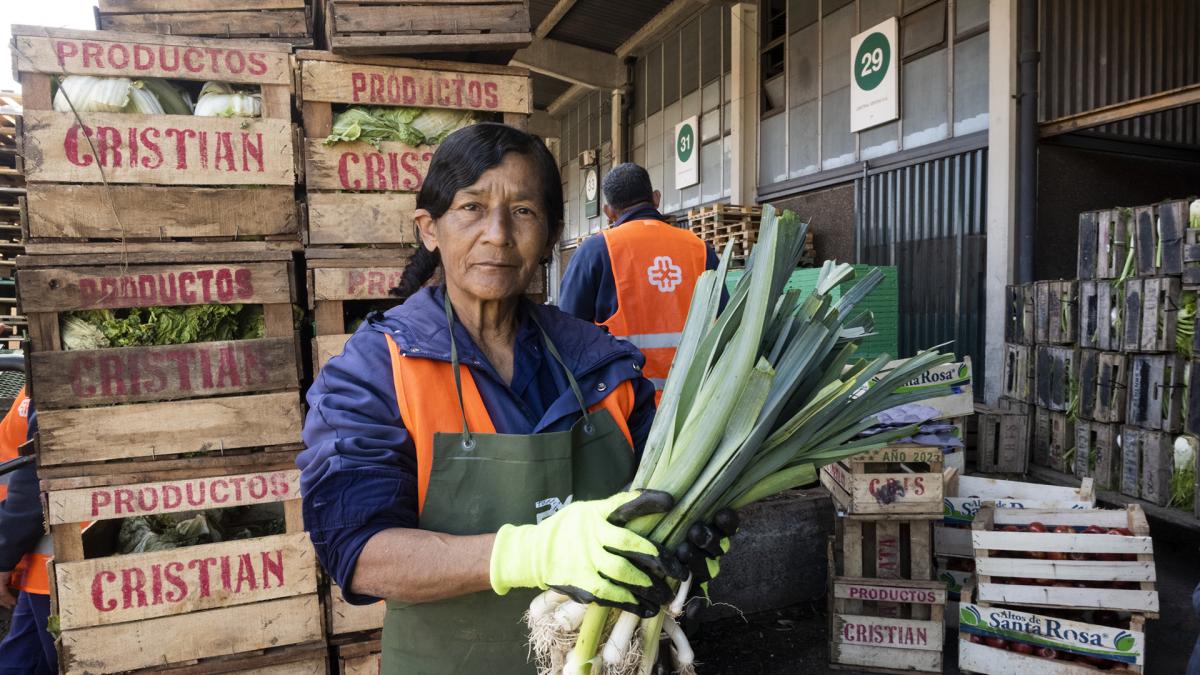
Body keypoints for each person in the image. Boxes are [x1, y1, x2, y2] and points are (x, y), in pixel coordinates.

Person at [298, 124, 727, 674]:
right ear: (429, 229)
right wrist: (530, 553)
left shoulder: (603, 364)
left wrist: (689, 540)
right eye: (471, 207)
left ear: (550, 236)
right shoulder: (375, 371)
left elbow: (664, 500)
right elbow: (356, 551)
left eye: (523, 211)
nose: (497, 234)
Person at [558, 163, 724, 402]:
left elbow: (566, 331)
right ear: (656, 198)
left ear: (608, 211)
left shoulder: (596, 251)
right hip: (693, 407)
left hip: (626, 407)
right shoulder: (699, 248)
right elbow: (725, 319)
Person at [0, 388, 57, 675]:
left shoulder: (51, 379)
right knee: (20, 657)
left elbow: (34, 482)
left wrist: (2, 558)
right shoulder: (35, 385)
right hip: (38, 559)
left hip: (50, 563)